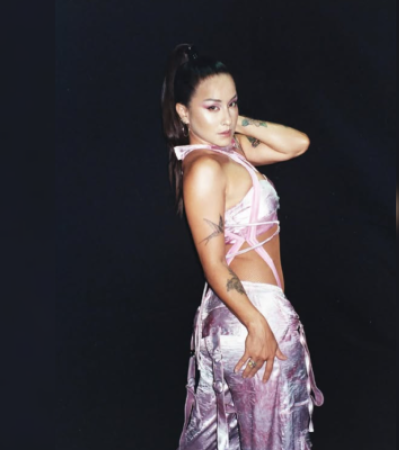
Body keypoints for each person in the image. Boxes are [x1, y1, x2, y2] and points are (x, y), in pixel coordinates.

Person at [161, 43, 324, 450]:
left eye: (232, 104)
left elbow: (297, 143)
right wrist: (257, 324)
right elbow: (213, 263)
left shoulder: (228, 153)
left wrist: (233, 122)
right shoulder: (205, 168)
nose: (226, 117)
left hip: (239, 317)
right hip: (251, 315)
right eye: (212, 107)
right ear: (184, 113)